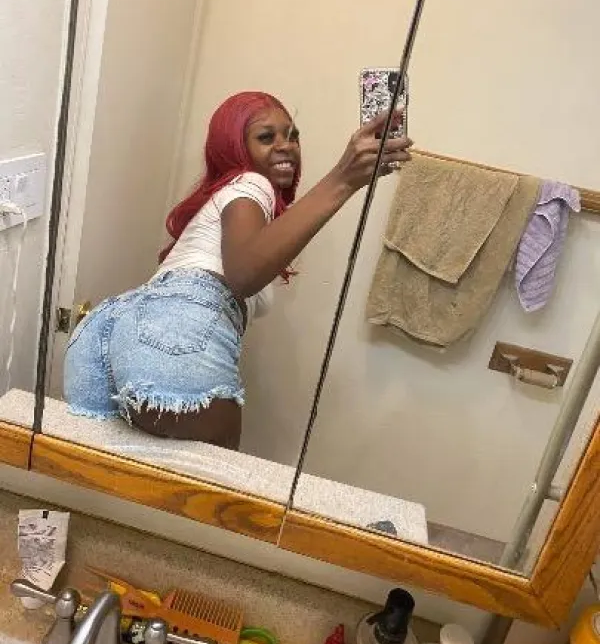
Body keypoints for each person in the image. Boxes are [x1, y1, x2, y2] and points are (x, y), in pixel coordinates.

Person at [64, 91, 412, 449]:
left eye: (292, 136)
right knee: (210, 478)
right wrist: (343, 179)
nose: (286, 146)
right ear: (234, 147)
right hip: (175, 331)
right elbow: (243, 275)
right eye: (267, 137)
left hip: (106, 331)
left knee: (110, 475)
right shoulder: (251, 183)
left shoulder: (227, 199)